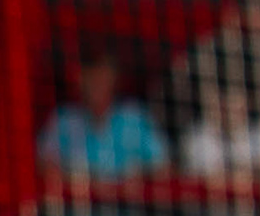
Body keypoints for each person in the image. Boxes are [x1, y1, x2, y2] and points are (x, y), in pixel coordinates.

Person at [38, 48, 167, 185]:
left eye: (103, 77)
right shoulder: (65, 120)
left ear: (114, 80)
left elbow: (162, 166)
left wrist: (135, 179)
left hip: (128, 204)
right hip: (79, 204)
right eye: (92, 77)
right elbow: (44, 164)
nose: (98, 84)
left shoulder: (134, 117)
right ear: (80, 80)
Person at [182, 88, 260, 185]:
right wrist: (258, 169)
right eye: (224, 101)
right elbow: (211, 179)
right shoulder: (197, 135)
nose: (230, 107)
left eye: (235, 101)